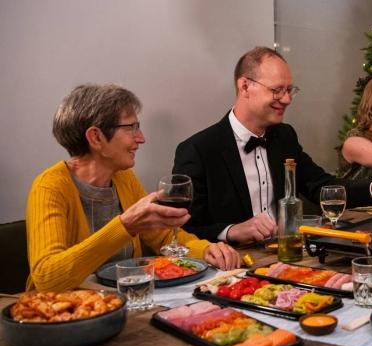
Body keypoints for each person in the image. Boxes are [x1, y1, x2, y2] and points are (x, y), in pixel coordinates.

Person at [173, 47, 372, 245]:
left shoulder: (284, 136)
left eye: (289, 90)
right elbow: (183, 229)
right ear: (245, 87)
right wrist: (232, 230)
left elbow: (320, 186)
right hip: (228, 268)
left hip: (287, 256)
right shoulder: (198, 150)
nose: (286, 100)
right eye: (277, 91)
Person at [26, 84, 241, 292]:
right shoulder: (50, 187)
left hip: (125, 301)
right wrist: (124, 226)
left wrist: (206, 250)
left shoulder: (123, 178)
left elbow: (164, 238)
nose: (141, 138)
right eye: (131, 128)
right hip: (63, 315)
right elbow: (47, 278)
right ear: (96, 137)